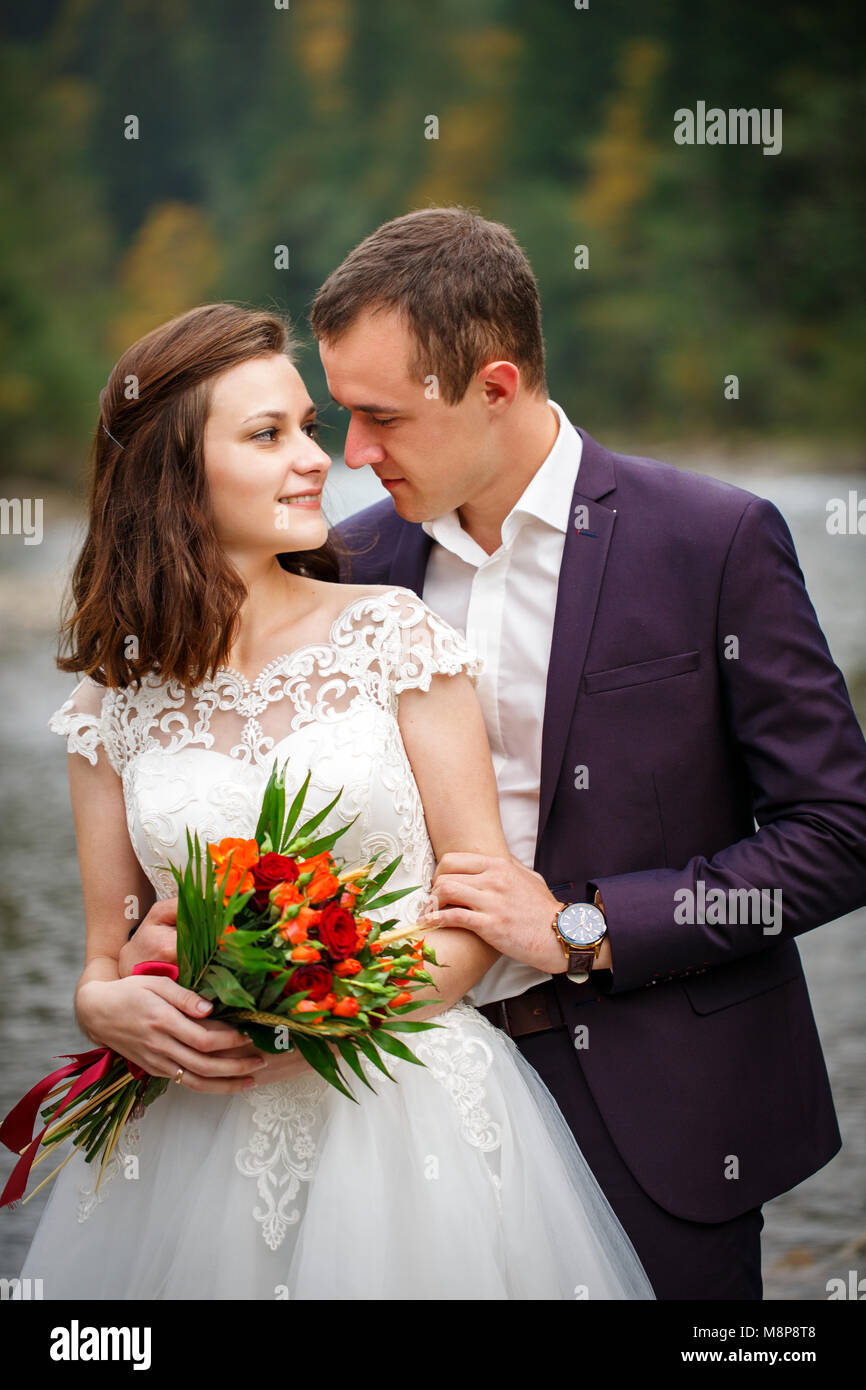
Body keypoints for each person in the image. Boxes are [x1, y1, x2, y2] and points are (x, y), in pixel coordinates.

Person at [15, 301, 654, 1300]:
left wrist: (318, 1013)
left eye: (307, 429)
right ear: (173, 472)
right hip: (193, 1130)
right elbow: (112, 950)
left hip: (400, 1108)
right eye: (268, 435)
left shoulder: (394, 637)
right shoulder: (110, 702)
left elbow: (477, 916)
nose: (316, 458)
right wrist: (104, 1006)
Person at [309, 206, 866, 1300]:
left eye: (379, 417)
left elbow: (836, 834)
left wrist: (583, 927)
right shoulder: (346, 563)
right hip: (395, 1105)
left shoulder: (713, 540)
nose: (351, 455)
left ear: (495, 387)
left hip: (661, 1109)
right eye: (341, 416)